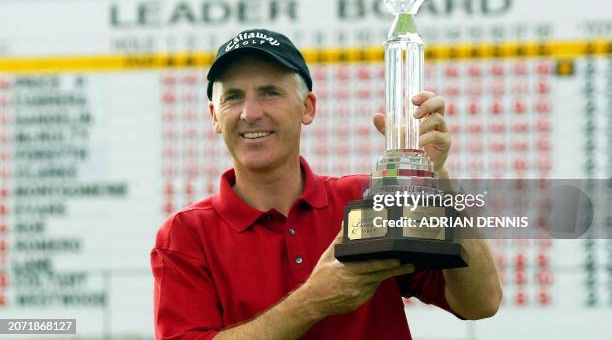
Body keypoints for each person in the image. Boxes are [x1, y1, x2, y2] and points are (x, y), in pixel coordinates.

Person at [151, 29, 502, 340]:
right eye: (233, 97)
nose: (250, 112)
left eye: (270, 92)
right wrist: (312, 301)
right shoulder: (185, 235)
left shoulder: (369, 198)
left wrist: (436, 175)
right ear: (215, 116)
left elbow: (480, 302)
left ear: (308, 108)